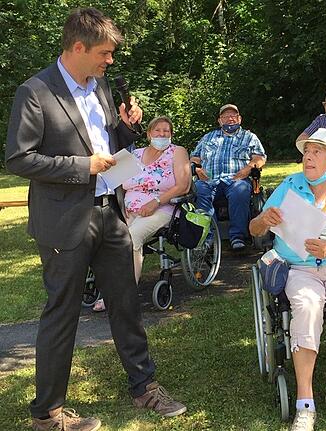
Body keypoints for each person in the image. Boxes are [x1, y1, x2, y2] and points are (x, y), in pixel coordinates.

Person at [4, 8, 186, 430]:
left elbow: (109, 144)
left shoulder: (100, 86)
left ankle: (144, 388)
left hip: (111, 215)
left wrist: (126, 130)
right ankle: (47, 415)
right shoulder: (34, 92)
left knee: (126, 304)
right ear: (79, 47)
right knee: (62, 312)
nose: (110, 62)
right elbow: (19, 158)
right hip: (64, 221)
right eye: (105, 53)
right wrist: (81, 166)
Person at [249, 128, 326, 431]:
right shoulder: (289, 187)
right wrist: (265, 219)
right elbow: (254, 229)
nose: (308, 157)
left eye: (316, 152)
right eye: (306, 152)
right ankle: (306, 402)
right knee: (306, 306)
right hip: (299, 268)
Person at [93, 116, 191, 312]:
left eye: (166, 132)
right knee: (110, 239)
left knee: (131, 238)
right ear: (149, 134)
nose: (162, 135)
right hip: (129, 209)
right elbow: (113, 180)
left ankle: (122, 294)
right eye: (158, 131)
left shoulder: (177, 152)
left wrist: (154, 203)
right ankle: (111, 287)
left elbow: (183, 186)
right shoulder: (135, 154)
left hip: (163, 208)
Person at [190, 104, 266, 251]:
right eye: (226, 116)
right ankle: (209, 236)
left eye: (233, 115)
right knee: (198, 188)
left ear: (239, 119)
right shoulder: (208, 137)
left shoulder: (249, 137)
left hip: (236, 179)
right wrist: (197, 168)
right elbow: (195, 157)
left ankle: (237, 236)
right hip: (209, 180)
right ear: (220, 120)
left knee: (241, 189)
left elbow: (259, 158)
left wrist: (248, 168)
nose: (230, 118)